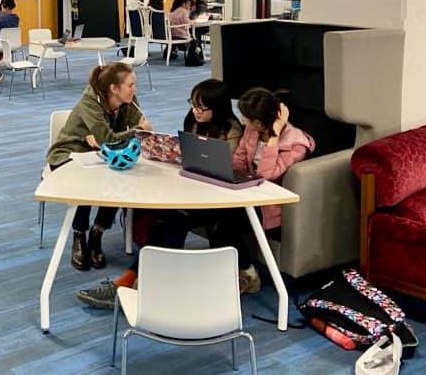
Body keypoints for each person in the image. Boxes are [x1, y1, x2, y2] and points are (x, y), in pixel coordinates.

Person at [77, 79, 242, 308]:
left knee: (174, 219)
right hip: (193, 190)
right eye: (192, 104)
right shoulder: (193, 121)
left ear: (218, 108)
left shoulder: (231, 130)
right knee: (163, 221)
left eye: (201, 108)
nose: (195, 111)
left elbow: (225, 167)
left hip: (218, 199)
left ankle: (144, 284)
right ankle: (133, 281)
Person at [46, 63, 152, 271]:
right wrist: (138, 130)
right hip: (68, 153)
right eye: (130, 85)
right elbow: (110, 139)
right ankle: (79, 234)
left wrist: (138, 131)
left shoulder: (128, 100)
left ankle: (97, 232)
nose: (134, 89)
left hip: (101, 155)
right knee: (88, 180)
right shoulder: (90, 102)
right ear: (114, 88)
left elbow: (117, 140)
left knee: (119, 176)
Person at [226, 88, 314, 291]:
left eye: (245, 118)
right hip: (248, 191)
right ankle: (237, 270)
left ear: (259, 123)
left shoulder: (296, 144)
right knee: (215, 212)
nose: (242, 121)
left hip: (271, 205)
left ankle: (248, 274)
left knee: (227, 217)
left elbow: (267, 175)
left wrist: (273, 139)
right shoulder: (252, 130)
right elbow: (239, 160)